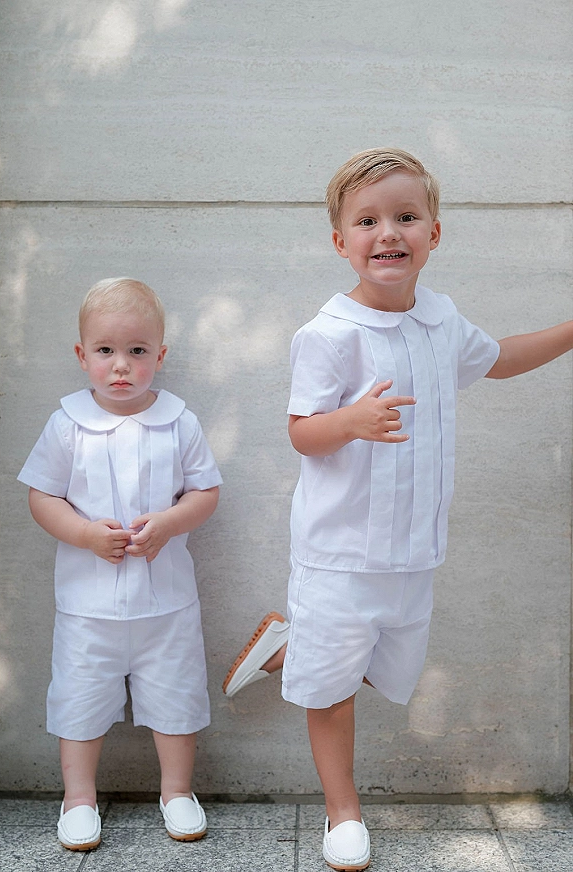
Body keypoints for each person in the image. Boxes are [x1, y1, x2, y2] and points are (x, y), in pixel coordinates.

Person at [222, 148, 573, 872]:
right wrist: (349, 421)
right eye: (369, 220)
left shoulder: (442, 324)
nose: (389, 233)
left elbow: (498, 357)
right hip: (340, 553)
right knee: (333, 690)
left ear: (434, 234)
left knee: (381, 675)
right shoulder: (328, 334)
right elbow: (300, 433)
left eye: (406, 217)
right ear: (341, 241)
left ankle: (286, 646)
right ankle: (342, 811)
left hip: (415, 551)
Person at [18, 278, 222, 851]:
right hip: (88, 606)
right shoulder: (67, 423)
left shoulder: (180, 421)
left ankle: (176, 790)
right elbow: (42, 496)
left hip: (167, 603)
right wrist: (84, 534)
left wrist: (169, 524)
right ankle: (78, 797)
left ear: (161, 355)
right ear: (82, 356)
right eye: (105, 351)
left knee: (176, 694)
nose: (122, 366)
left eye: (137, 351)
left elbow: (205, 493)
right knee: (80, 697)